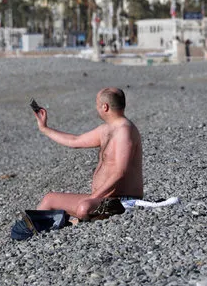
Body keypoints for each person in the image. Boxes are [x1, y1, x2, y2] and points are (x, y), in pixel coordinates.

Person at [34, 88, 143, 220]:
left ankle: (75, 221)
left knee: (84, 208)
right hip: (101, 198)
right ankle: (32, 230)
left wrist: (93, 197)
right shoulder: (106, 129)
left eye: (97, 104)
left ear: (105, 107)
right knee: (49, 199)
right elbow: (75, 141)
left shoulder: (125, 131)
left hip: (122, 200)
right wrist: (45, 129)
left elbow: (120, 172)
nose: (96, 108)